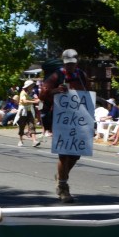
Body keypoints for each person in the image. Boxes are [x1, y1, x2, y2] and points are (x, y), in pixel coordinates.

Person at [38, 48, 90, 203]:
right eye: (68, 64)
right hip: (61, 119)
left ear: (76, 63)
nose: (70, 67)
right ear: (64, 63)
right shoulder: (57, 75)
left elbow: (89, 94)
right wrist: (55, 91)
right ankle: (63, 187)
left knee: (76, 153)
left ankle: (62, 175)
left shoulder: (81, 76)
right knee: (64, 151)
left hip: (79, 118)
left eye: (73, 64)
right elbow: (42, 94)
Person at [17, 79, 40, 147]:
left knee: (32, 125)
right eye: (31, 85)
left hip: (29, 111)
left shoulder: (30, 92)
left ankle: (34, 141)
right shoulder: (23, 92)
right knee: (22, 126)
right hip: (23, 112)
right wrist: (34, 102)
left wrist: (36, 100)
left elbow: (30, 99)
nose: (32, 86)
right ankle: (20, 140)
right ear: (28, 86)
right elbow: (24, 101)